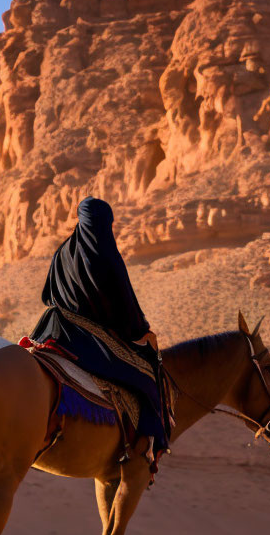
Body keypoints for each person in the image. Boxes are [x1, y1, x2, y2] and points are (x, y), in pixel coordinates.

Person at [27, 196, 170, 463]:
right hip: (85, 335)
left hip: (52, 328)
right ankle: (146, 446)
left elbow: (47, 295)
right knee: (145, 375)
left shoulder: (62, 251)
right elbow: (125, 302)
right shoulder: (105, 251)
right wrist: (141, 332)